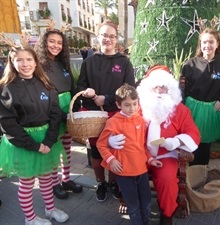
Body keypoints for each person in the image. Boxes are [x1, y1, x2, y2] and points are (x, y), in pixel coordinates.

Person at [109, 65, 200, 225]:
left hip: (166, 155)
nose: (159, 91)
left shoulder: (180, 110)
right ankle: (133, 206)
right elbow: (119, 123)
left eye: (163, 87)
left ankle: (167, 213)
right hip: (138, 153)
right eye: (155, 87)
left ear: (170, 89)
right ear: (148, 88)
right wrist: (111, 139)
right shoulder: (137, 107)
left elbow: (193, 134)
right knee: (128, 172)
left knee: (166, 179)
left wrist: (177, 141)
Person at [0, 43, 69, 224]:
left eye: (29, 59)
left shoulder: (46, 83)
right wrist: (34, 145)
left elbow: (55, 113)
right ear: (12, 62)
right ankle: (30, 218)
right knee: (27, 182)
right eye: (19, 60)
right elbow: (7, 122)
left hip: (46, 140)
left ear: (35, 61)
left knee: (46, 178)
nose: (25, 64)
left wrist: (49, 140)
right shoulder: (6, 88)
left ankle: (50, 209)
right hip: (24, 143)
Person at [75, 19, 135, 203]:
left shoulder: (124, 63)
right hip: (94, 115)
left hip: (116, 115)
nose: (107, 39)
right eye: (104, 35)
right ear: (97, 37)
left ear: (116, 39)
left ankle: (114, 182)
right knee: (97, 151)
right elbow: (81, 88)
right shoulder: (89, 62)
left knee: (116, 150)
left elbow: (130, 89)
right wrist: (88, 93)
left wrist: (107, 98)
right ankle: (101, 182)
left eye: (111, 36)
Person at [97, 84, 162, 225]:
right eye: (127, 105)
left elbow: (142, 145)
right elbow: (101, 144)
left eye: (134, 104)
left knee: (146, 204)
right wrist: (112, 160)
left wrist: (150, 159)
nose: (132, 108)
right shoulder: (112, 122)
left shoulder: (140, 120)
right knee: (133, 207)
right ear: (118, 105)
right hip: (125, 173)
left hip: (141, 171)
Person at [34, 26, 83, 199]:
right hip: (51, 111)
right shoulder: (38, 65)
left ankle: (66, 179)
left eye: (59, 42)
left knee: (67, 148)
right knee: (54, 149)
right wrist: (59, 114)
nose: (56, 45)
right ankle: (54, 184)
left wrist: (74, 107)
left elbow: (71, 86)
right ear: (44, 43)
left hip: (66, 109)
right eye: (52, 41)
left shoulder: (63, 63)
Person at [181, 28, 220, 166]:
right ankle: (191, 173)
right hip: (192, 108)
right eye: (204, 42)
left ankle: (202, 171)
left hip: (212, 109)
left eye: (211, 42)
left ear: (217, 43)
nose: (208, 45)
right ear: (200, 44)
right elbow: (182, 88)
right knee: (191, 141)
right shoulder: (190, 64)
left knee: (205, 144)